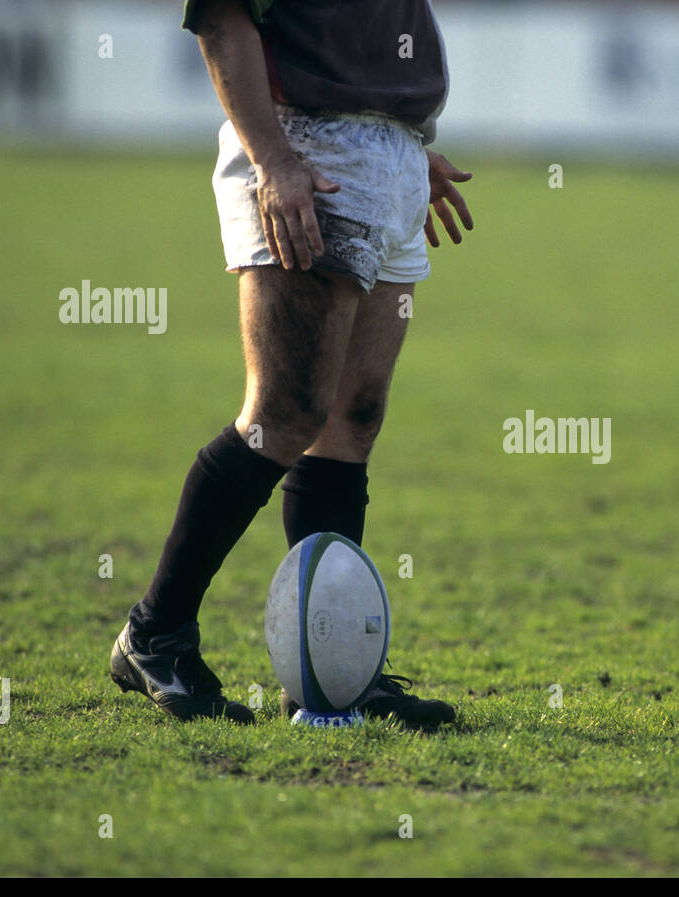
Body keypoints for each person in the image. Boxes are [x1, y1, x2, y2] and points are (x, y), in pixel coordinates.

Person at [108, 0, 472, 729]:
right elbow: (221, 15)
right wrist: (275, 160)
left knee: (352, 419)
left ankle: (328, 673)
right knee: (284, 413)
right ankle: (156, 633)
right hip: (306, 151)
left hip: (389, 157)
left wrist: (396, 145)